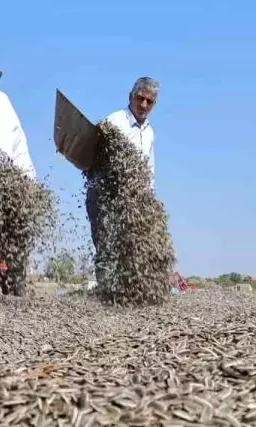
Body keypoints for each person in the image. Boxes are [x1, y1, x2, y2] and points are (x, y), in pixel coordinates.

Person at [86, 76, 159, 290]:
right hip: (104, 195)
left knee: (130, 247)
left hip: (131, 201)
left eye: (149, 101)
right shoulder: (114, 122)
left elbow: (149, 169)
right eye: (140, 98)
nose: (144, 105)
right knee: (106, 247)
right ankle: (106, 294)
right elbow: (92, 154)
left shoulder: (149, 132)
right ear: (131, 96)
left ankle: (126, 293)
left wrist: (149, 198)